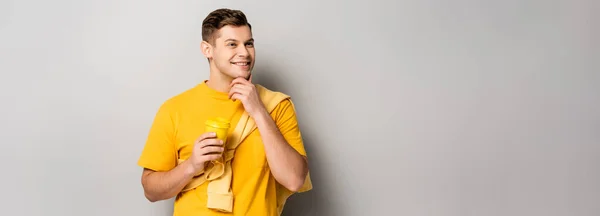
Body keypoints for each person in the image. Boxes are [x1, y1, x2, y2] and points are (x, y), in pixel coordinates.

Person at [137, 8, 312, 216]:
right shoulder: (174, 109)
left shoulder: (276, 105)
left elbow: (294, 179)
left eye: (249, 43)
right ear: (207, 49)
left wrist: (259, 112)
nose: (244, 53)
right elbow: (150, 190)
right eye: (232, 44)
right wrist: (191, 166)